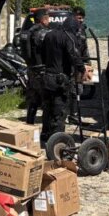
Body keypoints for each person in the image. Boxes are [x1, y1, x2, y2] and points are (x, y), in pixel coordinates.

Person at [39, 15, 82, 143]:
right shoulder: (68, 37)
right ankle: (56, 142)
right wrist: (82, 69)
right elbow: (74, 56)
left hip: (47, 76)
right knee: (59, 111)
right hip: (60, 80)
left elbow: (42, 54)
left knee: (47, 109)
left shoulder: (49, 35)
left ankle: (45, 135)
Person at [24, 10, 51, 124]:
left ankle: (29, 122)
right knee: (46, 99)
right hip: (41, 69)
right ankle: (46, 126)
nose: (49, 21)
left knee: (33, 98)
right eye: (48, 19)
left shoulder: (29, 31)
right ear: (43, 20)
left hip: (31, 68)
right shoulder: (43, 33)